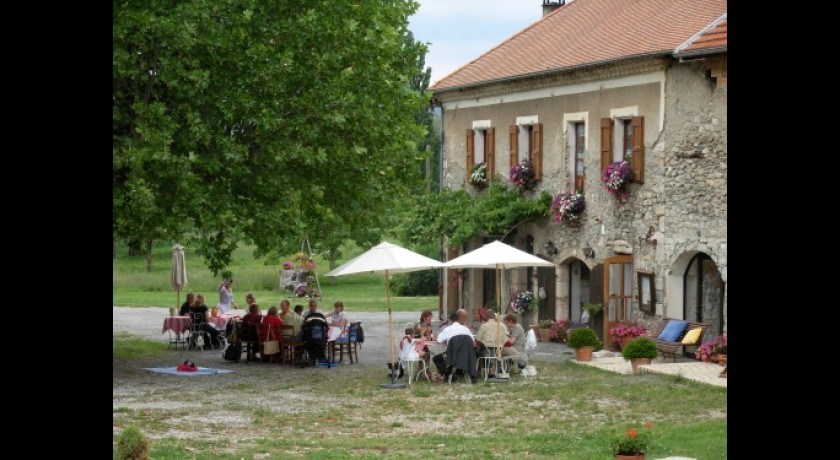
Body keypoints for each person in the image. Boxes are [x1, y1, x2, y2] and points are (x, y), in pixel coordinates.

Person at [432, 311, 475, 379]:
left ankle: (447, 373)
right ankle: (455, 373)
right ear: (458, 319)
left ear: (450, 320)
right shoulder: (466, 329)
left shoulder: (447, 329)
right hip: (465, 355)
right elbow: (472, 340)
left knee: (436, 359)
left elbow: (438, 341)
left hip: (451, 355)